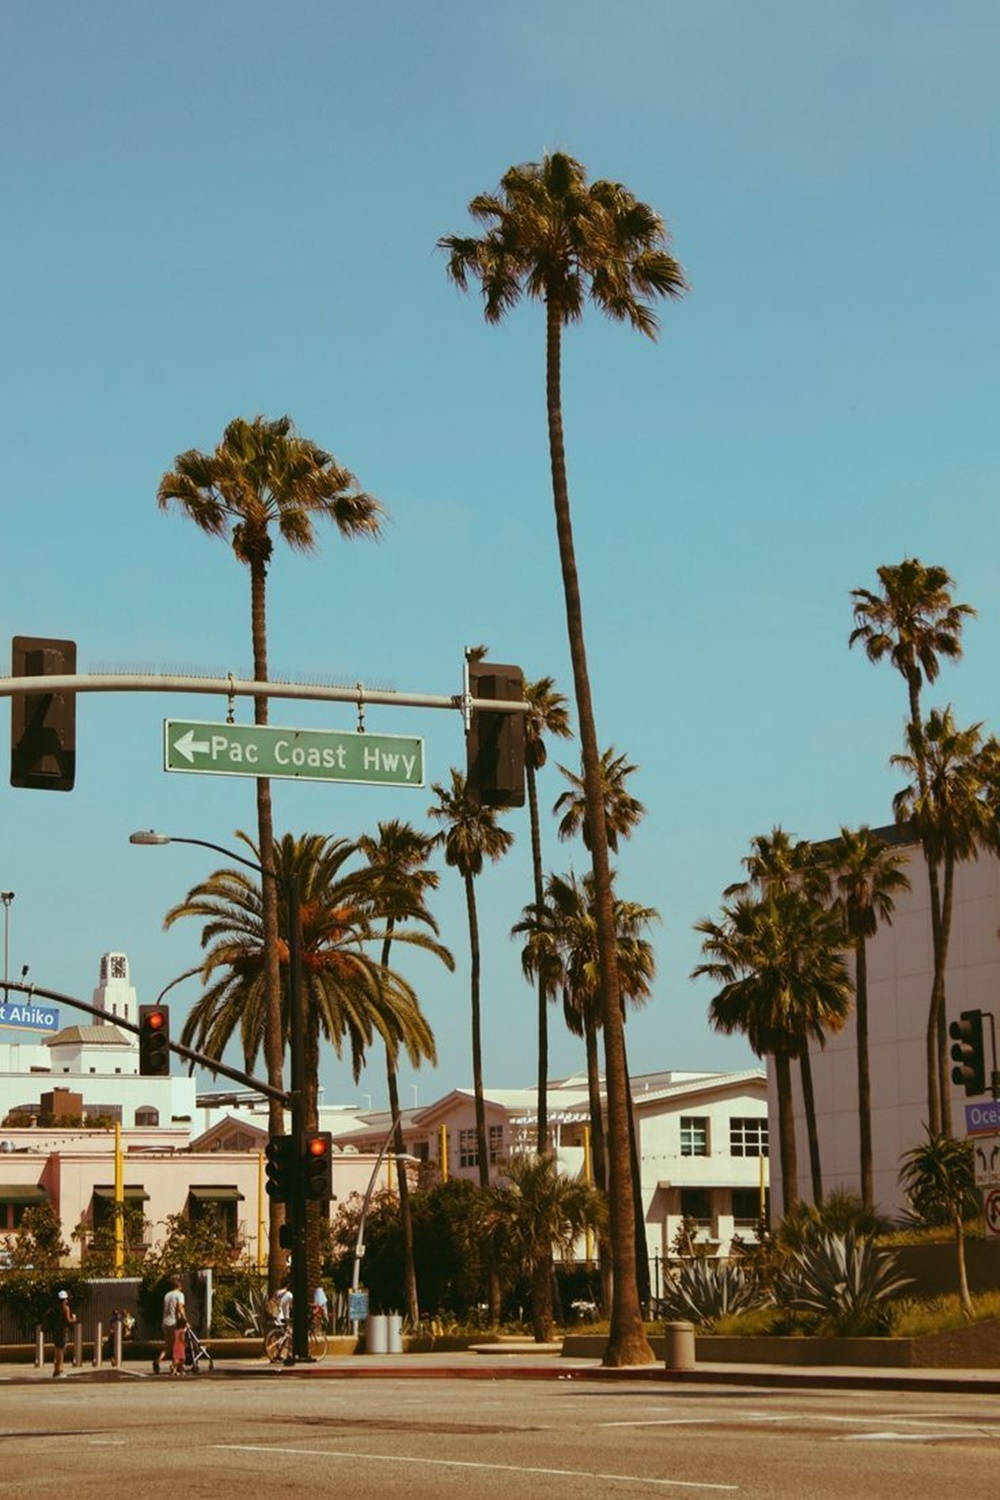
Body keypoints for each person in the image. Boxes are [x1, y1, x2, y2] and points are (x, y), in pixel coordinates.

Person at [153, 1275, 185, 1375]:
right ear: (179, 1285)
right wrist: (185, 1319)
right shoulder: (179, 1295)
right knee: (177, 1346)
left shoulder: (167, 1295)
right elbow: (180, 1308)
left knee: (168, 1346)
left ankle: (157, 1361)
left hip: (165, 1322)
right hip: (174, 1323)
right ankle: (174, 1367)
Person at [51, 1289, 76, 1379]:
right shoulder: (65, 1308)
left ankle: (56, 1370)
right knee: (61, 1352)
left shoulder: (55, 1308)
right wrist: (74, 1319)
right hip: (62, 1331)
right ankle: (60, 1370)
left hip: (55, 1331)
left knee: (57, 1351)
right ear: (65, 1299)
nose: (67, 1301)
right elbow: (68, 1320)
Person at [170, 1311, 188, 1376]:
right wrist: (185, 1343)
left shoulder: (175, 1331)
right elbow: (182, 1338)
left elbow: (173, 1338)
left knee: (176, 1358)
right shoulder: (182, 1331)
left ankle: (175, 1371)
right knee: (182, 1359)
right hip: (180, 1346)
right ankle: (175, 1366)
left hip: (175, 1345)